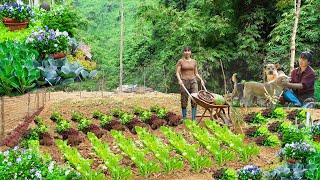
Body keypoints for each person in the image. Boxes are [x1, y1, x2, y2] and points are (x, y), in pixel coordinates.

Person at [176, 47, 205, 120]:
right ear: (183, 52)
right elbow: (177, 72)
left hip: (193, 81)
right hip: (184, 82)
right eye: (185, 51)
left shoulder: (194, 61)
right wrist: (179, 80)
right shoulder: (181, 61)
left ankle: (193, 119)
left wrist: (201, 79)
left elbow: (196, 73)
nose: (187, 52)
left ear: (190, 52)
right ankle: (185, 118)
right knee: (184, 100)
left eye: (188, 51)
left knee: (195, 99)